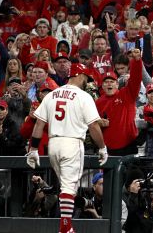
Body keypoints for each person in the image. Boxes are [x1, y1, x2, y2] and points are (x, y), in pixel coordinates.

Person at [25, 63, 108, 233]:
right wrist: (102, 147)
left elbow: (39, 123)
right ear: (79, 75)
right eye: (86, 77)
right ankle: (65, 228)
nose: (87, 81)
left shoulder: (52, 94)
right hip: (72, 143)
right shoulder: (84, 96)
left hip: (53, 145)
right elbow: (93, 127)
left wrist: (33, 148)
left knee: (66, 187)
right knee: (69, 188)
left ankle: (69, 221)